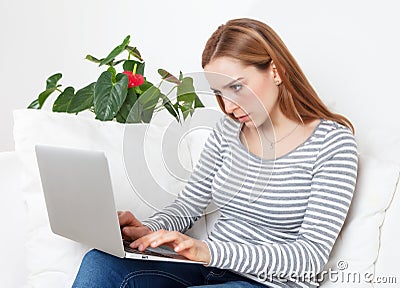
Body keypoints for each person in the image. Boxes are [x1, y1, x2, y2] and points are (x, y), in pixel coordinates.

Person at [72, 18, 358, 288]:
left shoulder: (331, 143)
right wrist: (147, 231)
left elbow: (309, 256)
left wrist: (208, 251)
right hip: (208, 269)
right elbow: (188, 206)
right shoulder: (227, 131)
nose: (230, 107)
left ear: (275, 70)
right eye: (220, 93)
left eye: (236, 86)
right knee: (100, 263)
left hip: (267, 283)